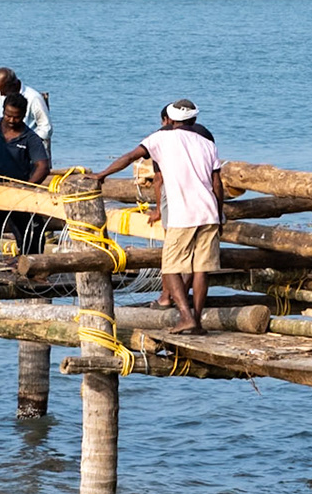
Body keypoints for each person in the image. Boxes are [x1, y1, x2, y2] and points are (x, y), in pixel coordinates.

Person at [89, 100, 223, 334]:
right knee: (202, 269)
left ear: (170, 120)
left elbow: (130, 157)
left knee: (170, 267)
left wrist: (102, 174)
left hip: (183, 214)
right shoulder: (207, 143)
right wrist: (220, 215)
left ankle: (185, 316)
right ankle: (198, 322)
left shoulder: (160, 138)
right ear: (194, 120)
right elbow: (217, 184)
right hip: (209, 212)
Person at [0, 92, 51, 301]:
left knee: (33, 233)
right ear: (3, 111)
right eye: (8, 115)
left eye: (17, 117)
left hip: (18, 195)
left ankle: (31, 279)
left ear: (24, 115)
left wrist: (28, 187)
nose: (12, 120)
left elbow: (43, 166)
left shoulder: (30, 137)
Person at [0, 68, 52, 151]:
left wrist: (26, 140)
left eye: (4, 90)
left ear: (13, 85)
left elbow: (46, 129)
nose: (1, 94)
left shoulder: (33, 98)